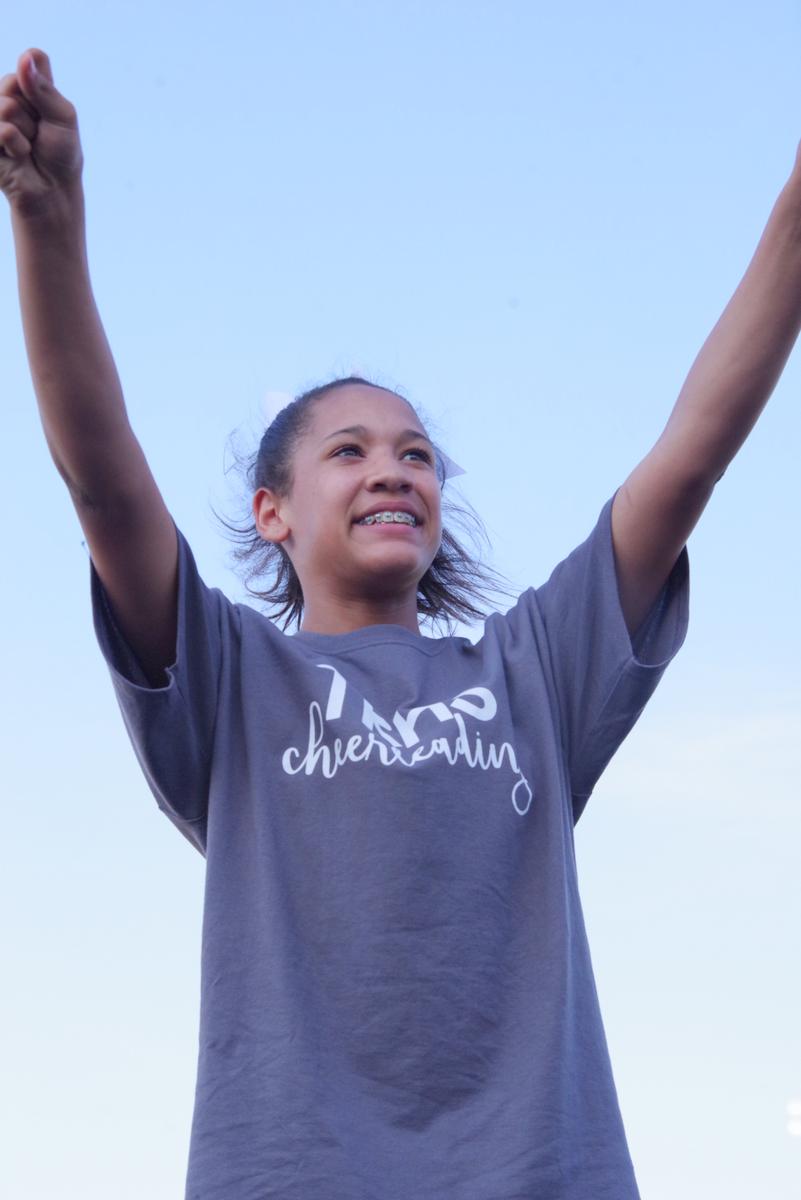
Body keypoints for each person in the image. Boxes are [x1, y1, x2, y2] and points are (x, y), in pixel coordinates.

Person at [2, 45, 798, 1200]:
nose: (395, 470)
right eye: (351, 450)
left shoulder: (535, 668)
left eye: (417, 454)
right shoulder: (229, 678)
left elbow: (689, 458)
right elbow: (103, 482)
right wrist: (48, 226)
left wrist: (793, 218)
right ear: (272, 512)